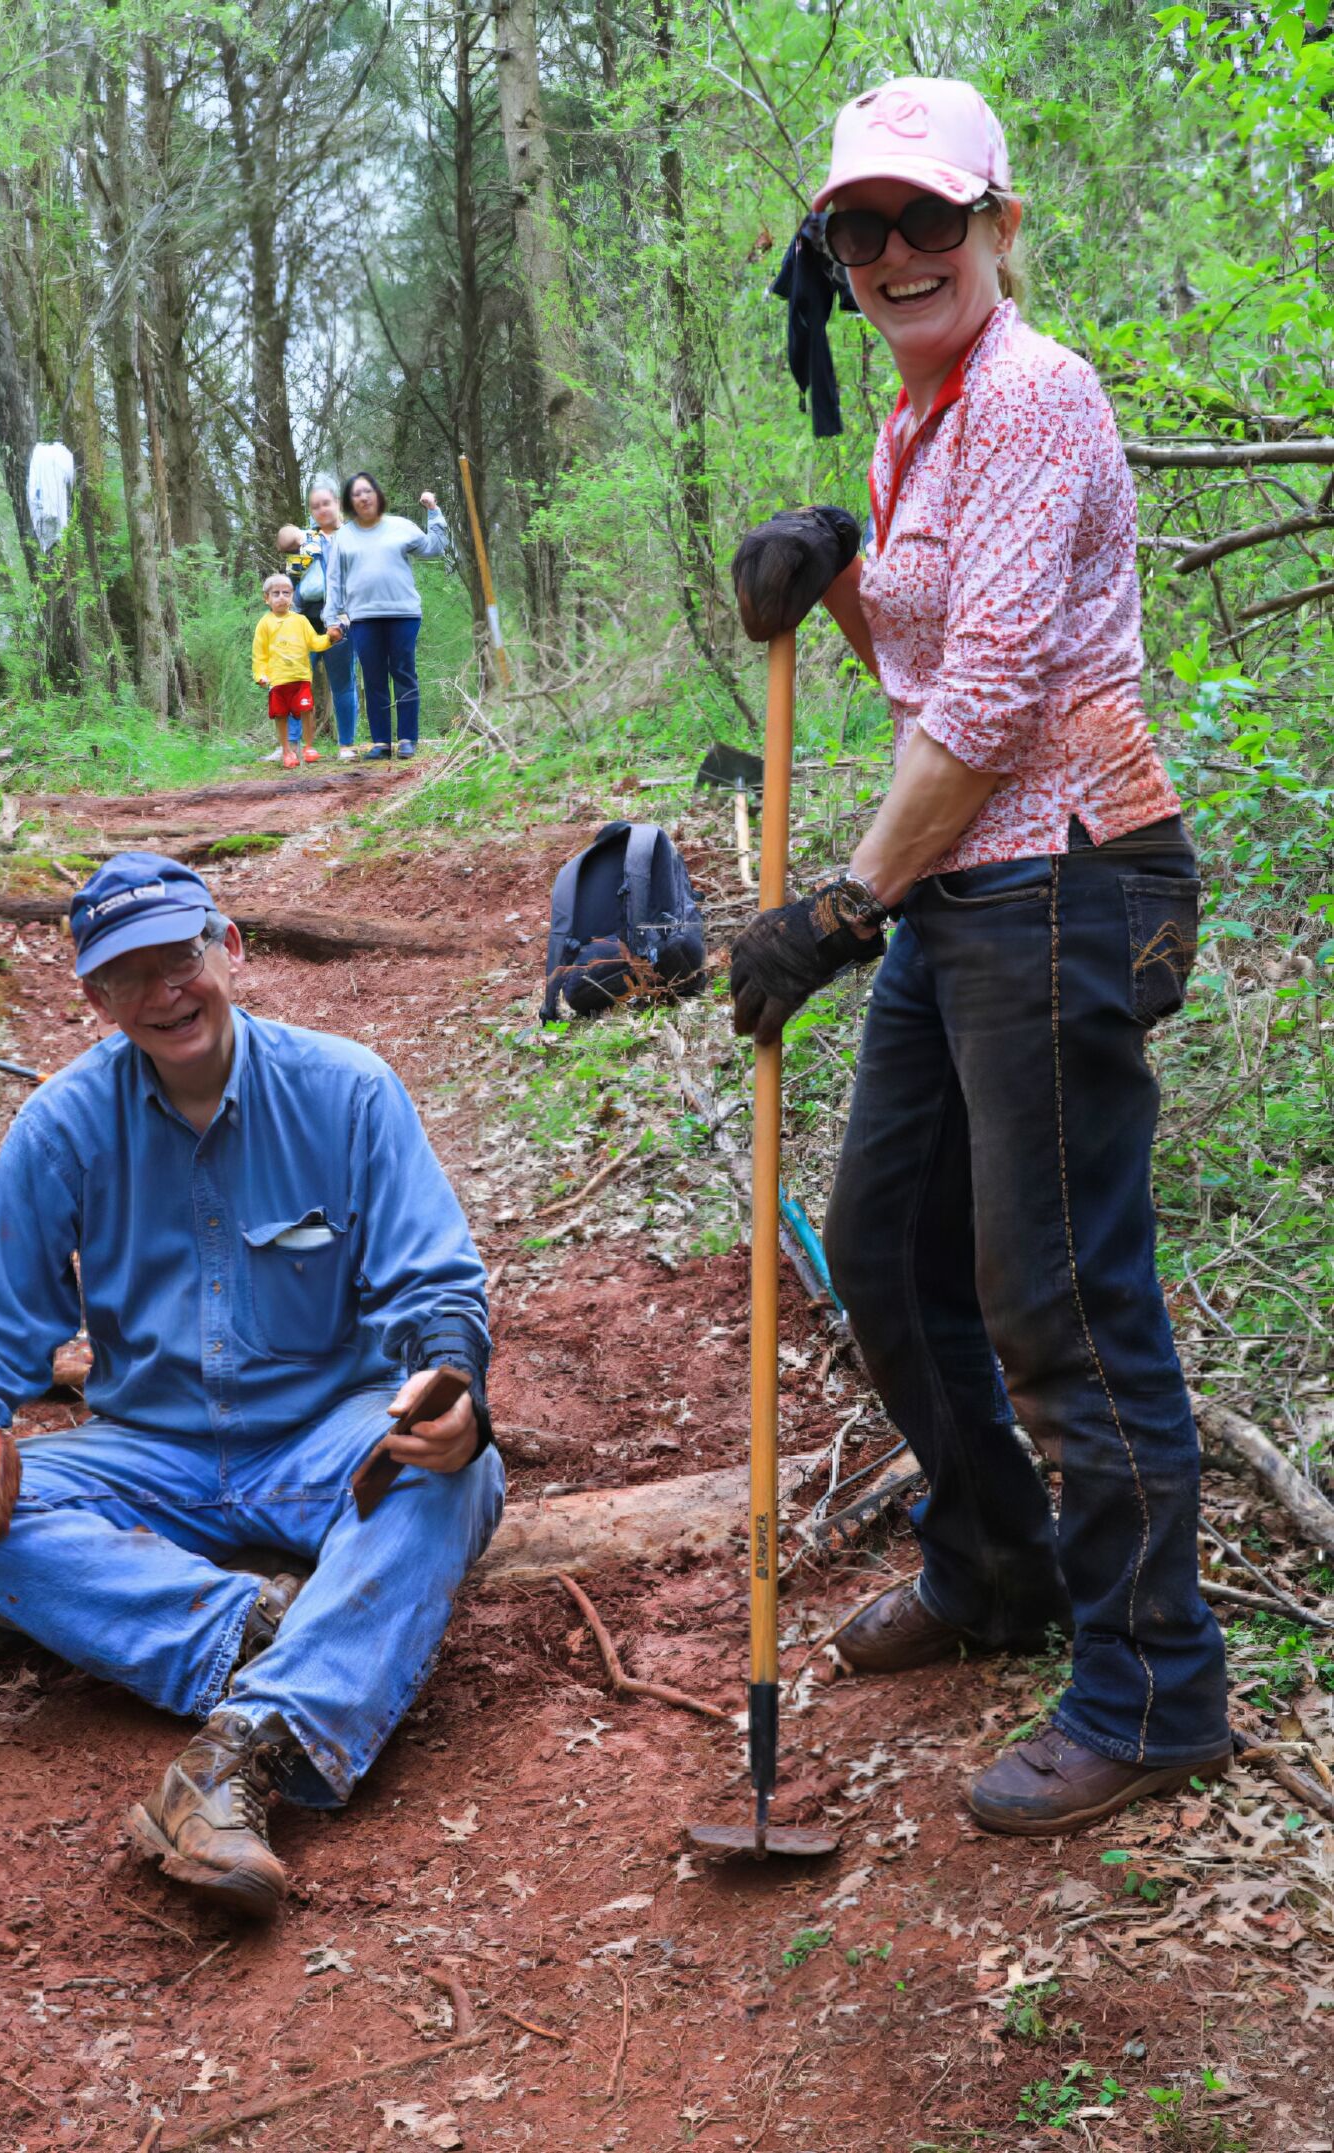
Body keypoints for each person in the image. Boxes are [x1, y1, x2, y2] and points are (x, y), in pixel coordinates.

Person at [726, 76, 1228, 1836]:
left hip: (1071, 878)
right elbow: (929, 679)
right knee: (880, 1239)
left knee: (1059, 1298)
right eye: (855, 230)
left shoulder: (1031, 397)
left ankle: (1152, 1685)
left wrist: (838, 904)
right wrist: (838, 578)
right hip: (971, 882)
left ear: (997, 226)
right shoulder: (916, 418)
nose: (887, 256)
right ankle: (997, 1556)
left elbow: (1003, 702)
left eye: (924, 221)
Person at [0, 853, 504, 1918]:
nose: (168, 990)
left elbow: (434, 1284)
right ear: (94, 997)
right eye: (131, 974)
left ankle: (238, 1758)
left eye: (183, 955)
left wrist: (450, 1385)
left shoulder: (348, 1090)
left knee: (456, 1473)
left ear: (231, 947)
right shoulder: (62, 1127)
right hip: (150, 1450)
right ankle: (269, 1635)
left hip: (322, 1434)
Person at [322, 471, 449, 761]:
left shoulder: (400, 527)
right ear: (349, 502)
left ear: (377, 495)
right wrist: (332, 619)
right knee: (373, 677)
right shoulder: (343, 537)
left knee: (403, 673)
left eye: (368, 491)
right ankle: (381, 742)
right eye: (356, 494)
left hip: (403, 614)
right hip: (363, 618)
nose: (363, 497)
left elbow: (435, 548)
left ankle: (407, 738)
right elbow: (334, 580)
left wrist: (433, 511)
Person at [283, 484, 363, 761]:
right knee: (295, 679)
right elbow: (292, 578)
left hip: (341, 619)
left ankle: (346, 745)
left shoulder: (355, 535)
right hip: (305, 619)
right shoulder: (304, 539)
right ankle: (290, 746)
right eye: (315, 506)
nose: (321, 510)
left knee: (342, 683)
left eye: (325, 503)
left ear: (338, 503)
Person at [252, 571, 332, 770]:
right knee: (281, 715)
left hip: (301, 678)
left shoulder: (301, 621)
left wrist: (330, 638)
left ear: (293, 595)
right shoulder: (264, 624)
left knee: (306, 709)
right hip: (278, 681)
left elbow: (315, 642)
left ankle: (309, 747)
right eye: (276, 593)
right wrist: (260, 675)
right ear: (266, 598)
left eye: (286, 593)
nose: (281, 597)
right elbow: (259, 654)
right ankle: (287, 751)